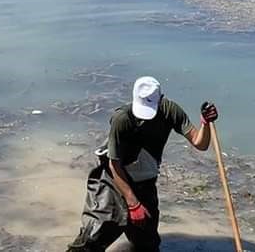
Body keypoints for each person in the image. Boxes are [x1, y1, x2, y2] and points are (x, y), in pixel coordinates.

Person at [66, 76, 219, 251]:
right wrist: (133, 204)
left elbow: (201, 143)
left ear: (161, 99)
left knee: (147, 246)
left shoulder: (170, 110)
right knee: (92, 239)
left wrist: (205, 123)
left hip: (144, 182)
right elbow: (114, 165)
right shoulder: (121, 119)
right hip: (113, 181)